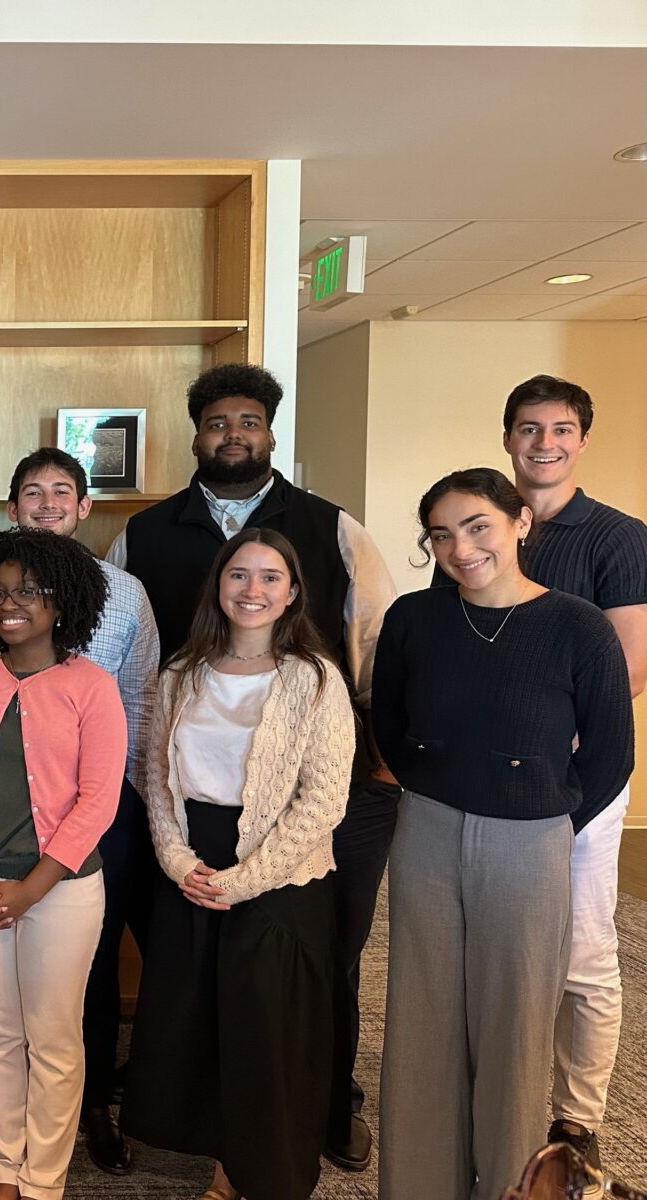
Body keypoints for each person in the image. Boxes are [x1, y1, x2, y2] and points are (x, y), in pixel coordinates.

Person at [110, 362, 397, 1170]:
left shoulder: (331, 526)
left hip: (306, 790)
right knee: (194, 973)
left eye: (248, 422)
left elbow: (371, 640)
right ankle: (202, 1116)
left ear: (271, 433)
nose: (232, 435)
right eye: (216, 423)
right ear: (195, 435)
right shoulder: (146, 532)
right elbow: (130, 657)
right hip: (184, 779)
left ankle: (326, 1109)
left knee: (315, 969)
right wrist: (168, 832)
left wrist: (371, 757)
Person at [374, 467, 633, 1200]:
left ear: (520, 521)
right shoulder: (412, 620)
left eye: (477, 525)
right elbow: (389, 724)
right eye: (442, 535)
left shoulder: (578, 625)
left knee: (516, 1025)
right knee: (421, 1023)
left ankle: (508, 1189)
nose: (461, 548)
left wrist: (545, 820)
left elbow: (613, 752)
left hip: (532, 840)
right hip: (425, 831)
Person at [0, 446, 158, 1172]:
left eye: (28, 593)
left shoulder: (90, 684)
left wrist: (30, 889)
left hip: (59, 888)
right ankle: (7, 1164)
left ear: (62, 602)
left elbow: (97, 798)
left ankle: (44, 1180)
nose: (10, 605)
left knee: (54, 1037)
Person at [122, 528, 355, 1200]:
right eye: (239, 576)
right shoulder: (181, 673)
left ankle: (272, 1177)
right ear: (218, 587)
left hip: (278, 874)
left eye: (270, 577)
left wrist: (244, 879)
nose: (252, 590)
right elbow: (157, 778)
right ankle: (226, 1171)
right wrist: (175, 858)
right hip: (193, 868)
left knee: (266, 1035)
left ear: (292, 594)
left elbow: (324, 800)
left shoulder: (315, 680)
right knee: (201, 1026)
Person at [488, 375, 647, 1172]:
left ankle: (577, 1115)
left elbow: (629, 667)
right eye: (528, 428)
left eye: (560, 429)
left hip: (581, 774)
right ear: (508, 437)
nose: (543, 443)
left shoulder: (616, 536)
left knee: (582, 947)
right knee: (505, 942)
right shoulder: (492, 528)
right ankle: (504, 1090)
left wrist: (553, 741)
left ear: (582, 438)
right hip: (494, 778)